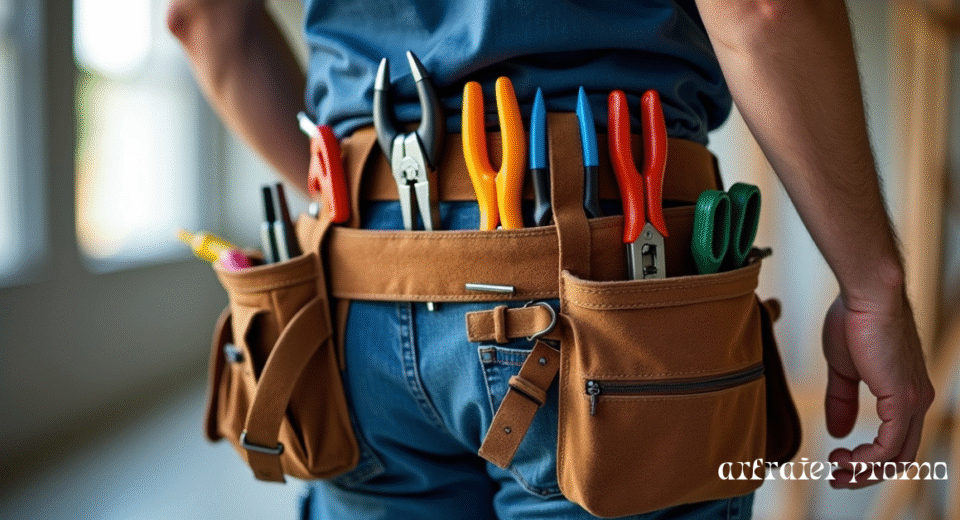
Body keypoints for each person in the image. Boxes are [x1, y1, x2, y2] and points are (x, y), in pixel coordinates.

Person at [168, 1, 935, 518]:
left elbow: (204, 20)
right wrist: (874, 286)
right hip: (611, 300)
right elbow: (765, 11)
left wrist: (358, 206)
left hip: (352, 293)